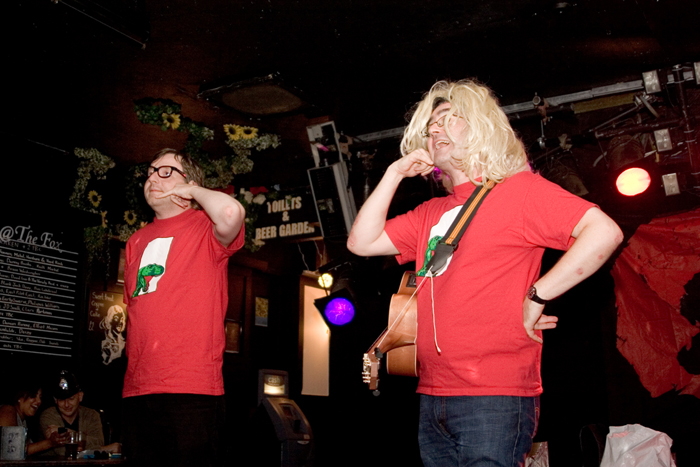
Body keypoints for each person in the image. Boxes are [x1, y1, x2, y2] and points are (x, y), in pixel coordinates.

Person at [347, 79, 623, 467]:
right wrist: (394, 173)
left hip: (494, 395)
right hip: (432, 394)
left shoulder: (521, 191)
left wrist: (538, 295)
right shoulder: (431, 212)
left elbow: (604, 232)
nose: (435, 129)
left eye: (446, 118)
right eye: (429, 127)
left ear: (480, 126)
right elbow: (360, 242)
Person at [122, 148, 245, 467]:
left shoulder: (205, 226)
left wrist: (190, 191)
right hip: (138, 387)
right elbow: (136, 308)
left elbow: (232, 213)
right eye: (150, 171)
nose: (153, 177)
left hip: (192, 386)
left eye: (165, 171)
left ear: (189, 183)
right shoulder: (135, 240)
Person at [39, 370, 105, 457]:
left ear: (80, 397)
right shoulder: (48, 415)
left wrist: (68, 432)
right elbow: (61, 451)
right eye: (62, 400)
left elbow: (99, 443)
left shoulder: (91, 415)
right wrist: (85, 443)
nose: (66, 405)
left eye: (71, 399)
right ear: (55, 400)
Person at [0, 377, 68, 456]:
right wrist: (50, 442)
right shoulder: (7, 410)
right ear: (19, 397)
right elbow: (11, 450)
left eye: (40, 397)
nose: (39, 401)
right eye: (33, 396)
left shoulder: (23, 422)